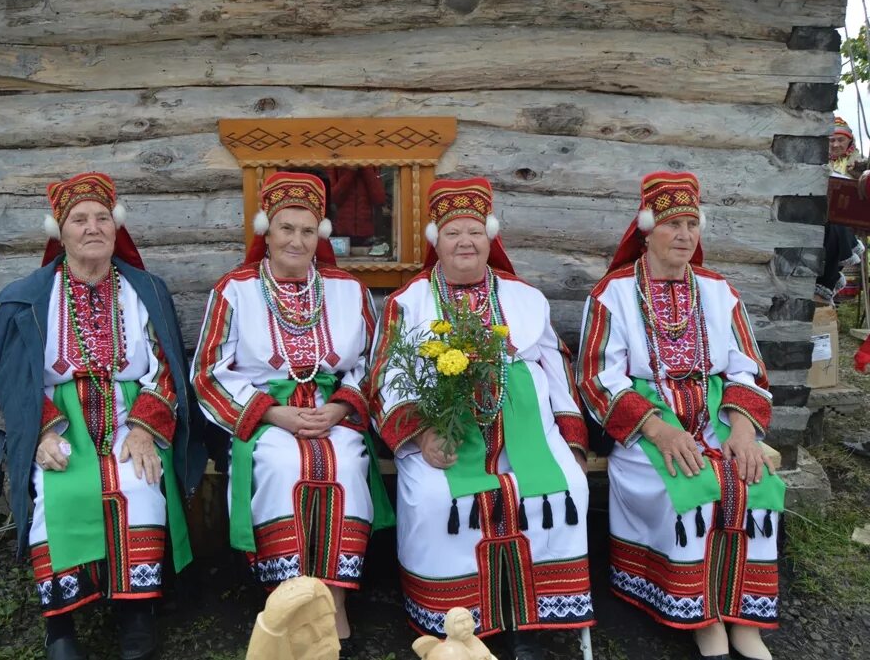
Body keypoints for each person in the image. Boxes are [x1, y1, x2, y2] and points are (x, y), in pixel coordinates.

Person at [0, 172, 206, 660]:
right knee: (62, 490)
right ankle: (60, 624)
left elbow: (167, 366)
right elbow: (14, 377)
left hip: (129, 410)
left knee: (137, 483)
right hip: (61, 416)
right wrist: (41, 430)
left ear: (117, 228)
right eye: (79, 220)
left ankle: (136, 612)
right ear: (60, 231)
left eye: (102, 218)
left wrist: (143, 427)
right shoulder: (29, 297)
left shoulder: (145, 291)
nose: (92, 228)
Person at [368, 178, 594, 660]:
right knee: (434, 497)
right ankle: (459, 624)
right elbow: (385, 378)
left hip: (526, 435)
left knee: (564, 489)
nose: (464, 242)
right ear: (436, 241)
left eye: (474, 231)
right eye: (452, 233)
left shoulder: (525, 298)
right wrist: (423, 434)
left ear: (490, 238)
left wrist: (572, 442)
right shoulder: (410, 302)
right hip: (444, 437)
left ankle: (527, 622)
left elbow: (558, 372)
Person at [577, 172, 786, 660]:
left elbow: (747, 368)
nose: (685, 234)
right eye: (673, 224)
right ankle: (702, 616)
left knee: (753, 480)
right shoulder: (613, 292)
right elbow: (597, 377)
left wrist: (741, 430)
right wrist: (658, 427)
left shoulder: (718, 289)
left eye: (692, 223)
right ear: (647, 230)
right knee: (690, 484)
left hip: (717, 412)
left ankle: (744, 616)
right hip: (648, 421)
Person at [191, 172, 393, 653]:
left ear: (320, 234)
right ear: (267, 231)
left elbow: (373, 364)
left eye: (307, 230)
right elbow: (208, 372)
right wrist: (271, 413)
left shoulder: (348, 289)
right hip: (267, 418)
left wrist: (343, 405)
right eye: (286, 229)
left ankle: (336, 602)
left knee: (343, 463)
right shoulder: (234, 290)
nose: (296, 240)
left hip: (333, 416)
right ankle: (288, 599)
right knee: (283, 465)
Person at [822, 117, 866, 305]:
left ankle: (842, 308)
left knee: (850, 269)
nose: (836, 144)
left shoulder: (859, 162)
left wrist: (859, 173)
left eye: (841, 140)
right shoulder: (818, 160)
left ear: (850, 141)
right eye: (832, 140)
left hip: (850, 228)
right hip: (826, 225)